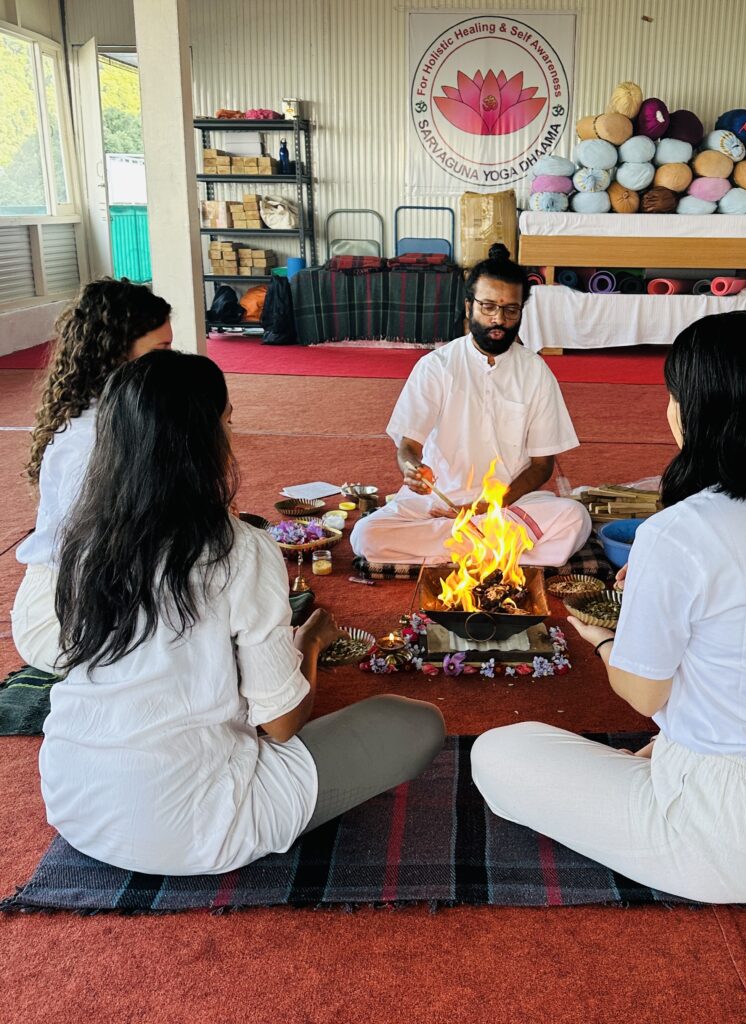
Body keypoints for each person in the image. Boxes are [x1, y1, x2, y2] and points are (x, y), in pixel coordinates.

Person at [471, 312, 746, 905]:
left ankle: (674, 768)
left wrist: (605, 639)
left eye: (672, 397)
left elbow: (644, 694)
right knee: (676, 732)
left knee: (497, 753)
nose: (667, 411)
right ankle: (678, 754)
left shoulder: (678, 531)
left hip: (730, 837)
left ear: (697, 410)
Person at [40, 351, 444, 875]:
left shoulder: (82, 539)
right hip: (191, 826)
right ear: (199, 441)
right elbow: (280, 724)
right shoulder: (239, 547)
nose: (231, 437)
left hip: (75, 801)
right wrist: (311, 645)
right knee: (415, 724)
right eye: (227, 422)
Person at [350, 243, 591, 566]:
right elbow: (408, 446)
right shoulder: (437, 365)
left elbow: (541, 466)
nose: (499, 320)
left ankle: (456, 546)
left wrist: (491, 505)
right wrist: (412, 470)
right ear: (468, 307)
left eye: (510, 310)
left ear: (521, 311)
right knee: (366, 535)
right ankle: (498, 552)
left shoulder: (535, 371)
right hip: (438, 501)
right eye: (488, 306)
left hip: (507, 504)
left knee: (575, 518)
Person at [12, 278, 174, 674]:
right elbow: (110, 555)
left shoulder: (121, 415)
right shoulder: (90, 439)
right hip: (63, 619)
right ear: (117, 354)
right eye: (162, 352)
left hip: (107, 592)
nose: (172, 365)